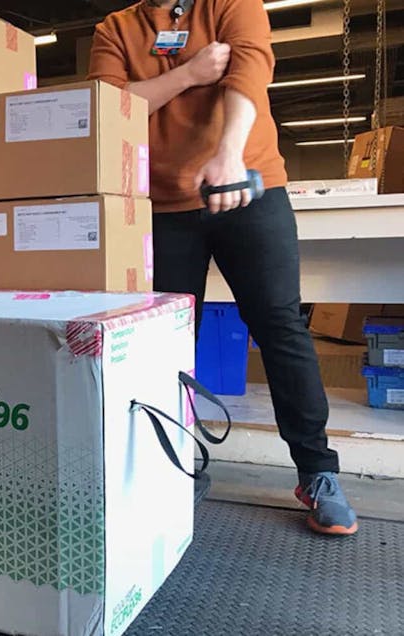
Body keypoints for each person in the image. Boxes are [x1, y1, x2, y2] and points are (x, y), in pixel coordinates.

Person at [88, 0, 358, 535]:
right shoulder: (115, 29)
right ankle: (174, 467)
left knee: (279, 326)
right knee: (164, 341)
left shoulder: (233, 5)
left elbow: (250, 72)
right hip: (161, 203)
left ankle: (317, 473)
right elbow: (108, 108)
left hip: (247, 185)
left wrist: (229, 154)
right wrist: (190, 73)